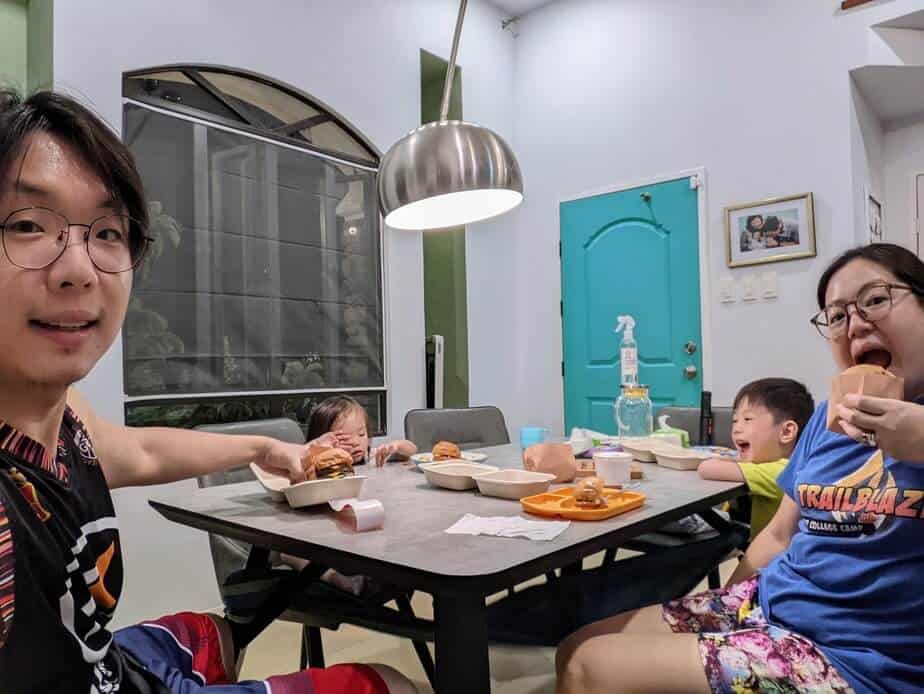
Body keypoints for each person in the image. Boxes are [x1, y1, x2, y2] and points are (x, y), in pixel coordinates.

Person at [0, 89, 416, 693]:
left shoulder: (61, 418)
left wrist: (262, 450)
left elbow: (139, 453)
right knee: (388, 682)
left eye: (108, 233)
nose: (79, 268)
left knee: (211, 631)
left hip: (104, 664)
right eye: (28, 224)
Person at [556, 243, 924, 694]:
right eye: (838, 315)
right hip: (769, 602)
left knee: (592, 666)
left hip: (856, 657)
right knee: (578, 645)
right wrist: (726, 613)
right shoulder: (830, 419)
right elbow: (778, 535)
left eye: (875, 299)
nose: (856, 323)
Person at [698, 378, 814, 539]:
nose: (737, 429)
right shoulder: (798, 464)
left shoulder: (782, 471)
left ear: (787, 432)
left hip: (771, 559)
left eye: (747, 420)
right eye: (735, 420)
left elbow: (706, 468)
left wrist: (733, 460)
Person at [306, 394, 417, 467]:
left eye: (361, 434)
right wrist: (316, 449)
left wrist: (396, 446)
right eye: (344, 438)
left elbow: (412, 450)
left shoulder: (371, 456)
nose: (355, 442)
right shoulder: (316, 466)